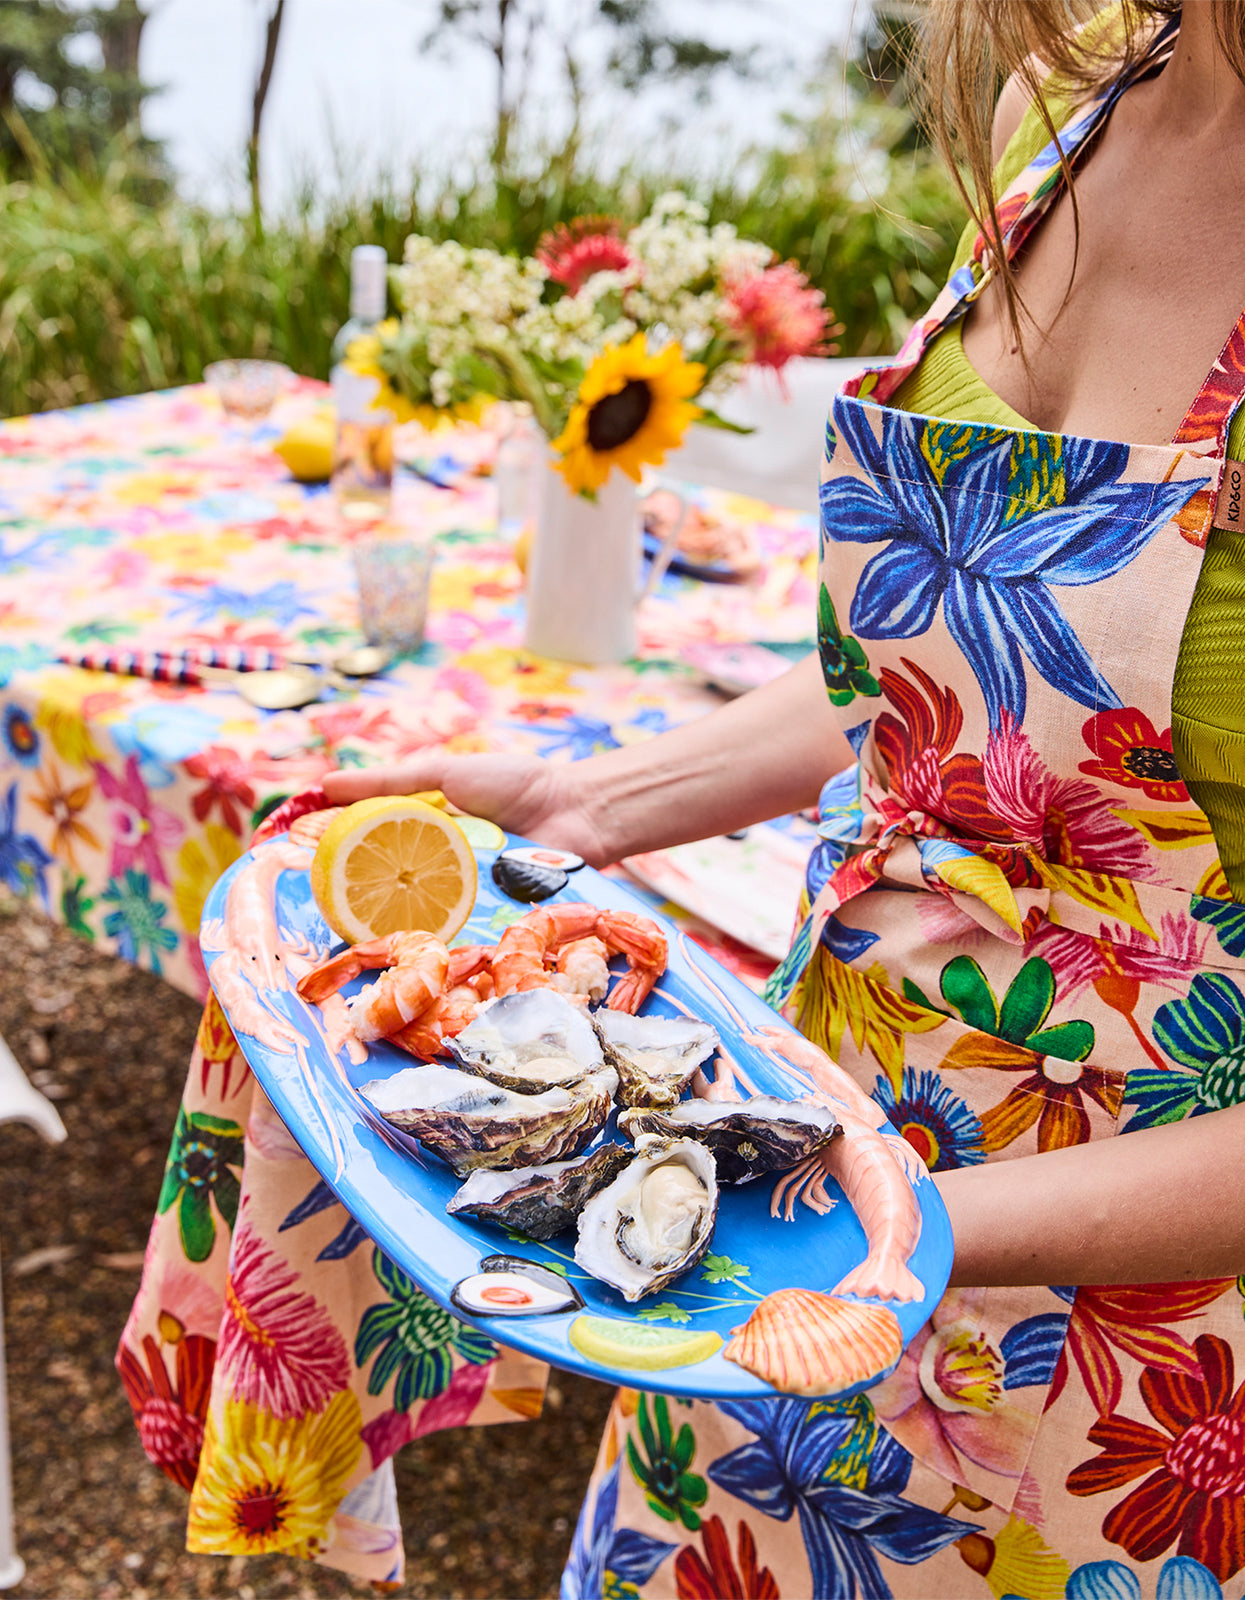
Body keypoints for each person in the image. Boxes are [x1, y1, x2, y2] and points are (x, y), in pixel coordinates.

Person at [324, 1, 1245, 1592]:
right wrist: (583, 798)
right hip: (811, 1136)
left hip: (1147, 1317)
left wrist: (903, 1234)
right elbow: (963, 675)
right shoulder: (1070, 104)